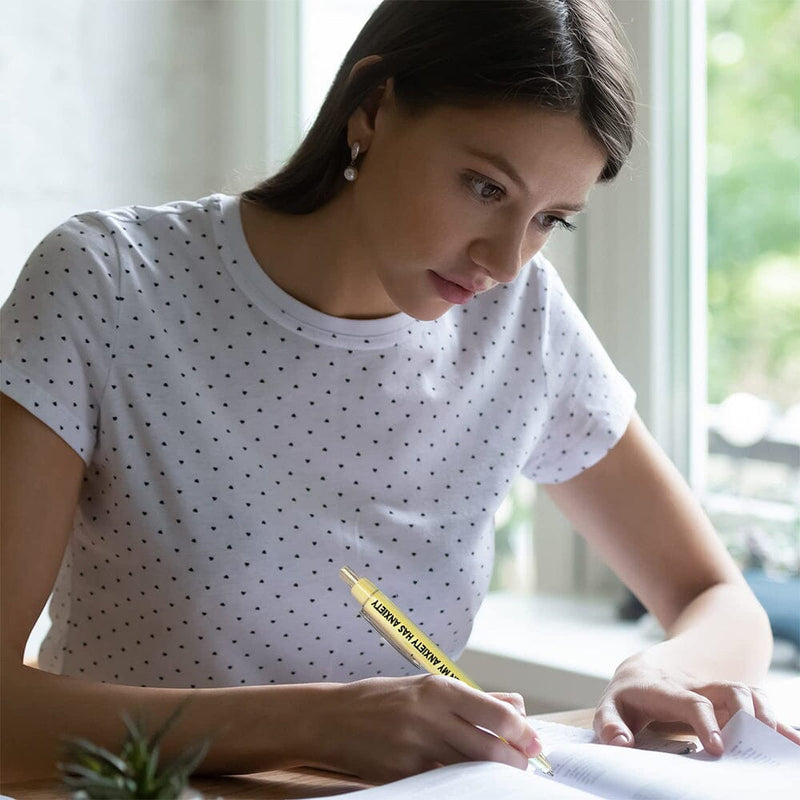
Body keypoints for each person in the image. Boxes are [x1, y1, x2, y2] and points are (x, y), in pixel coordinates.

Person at [1, 0, 796, 785]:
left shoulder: (521, 322)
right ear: (373, 110)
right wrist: (313, 723)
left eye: (552, 218)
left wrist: (668, 669)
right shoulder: (104, 284)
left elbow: (718, 597)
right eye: (485, 188)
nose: (505, 259)